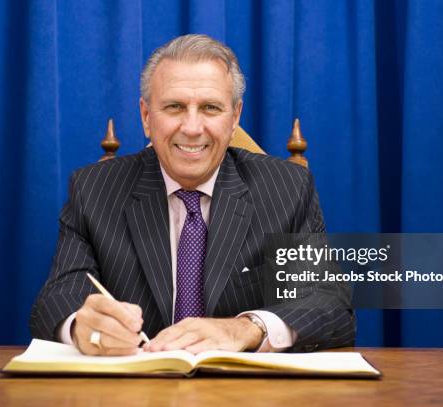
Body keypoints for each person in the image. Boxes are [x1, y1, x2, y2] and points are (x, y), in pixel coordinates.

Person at [29, 34, 354, 356]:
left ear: (235, 117)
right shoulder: (93, 189)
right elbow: (59, 295)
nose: (193, 127)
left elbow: (329, 303)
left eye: (211, 108)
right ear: (146, 116)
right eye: (175, 107)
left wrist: (245, 328)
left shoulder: (287, 189)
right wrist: (82, 327)